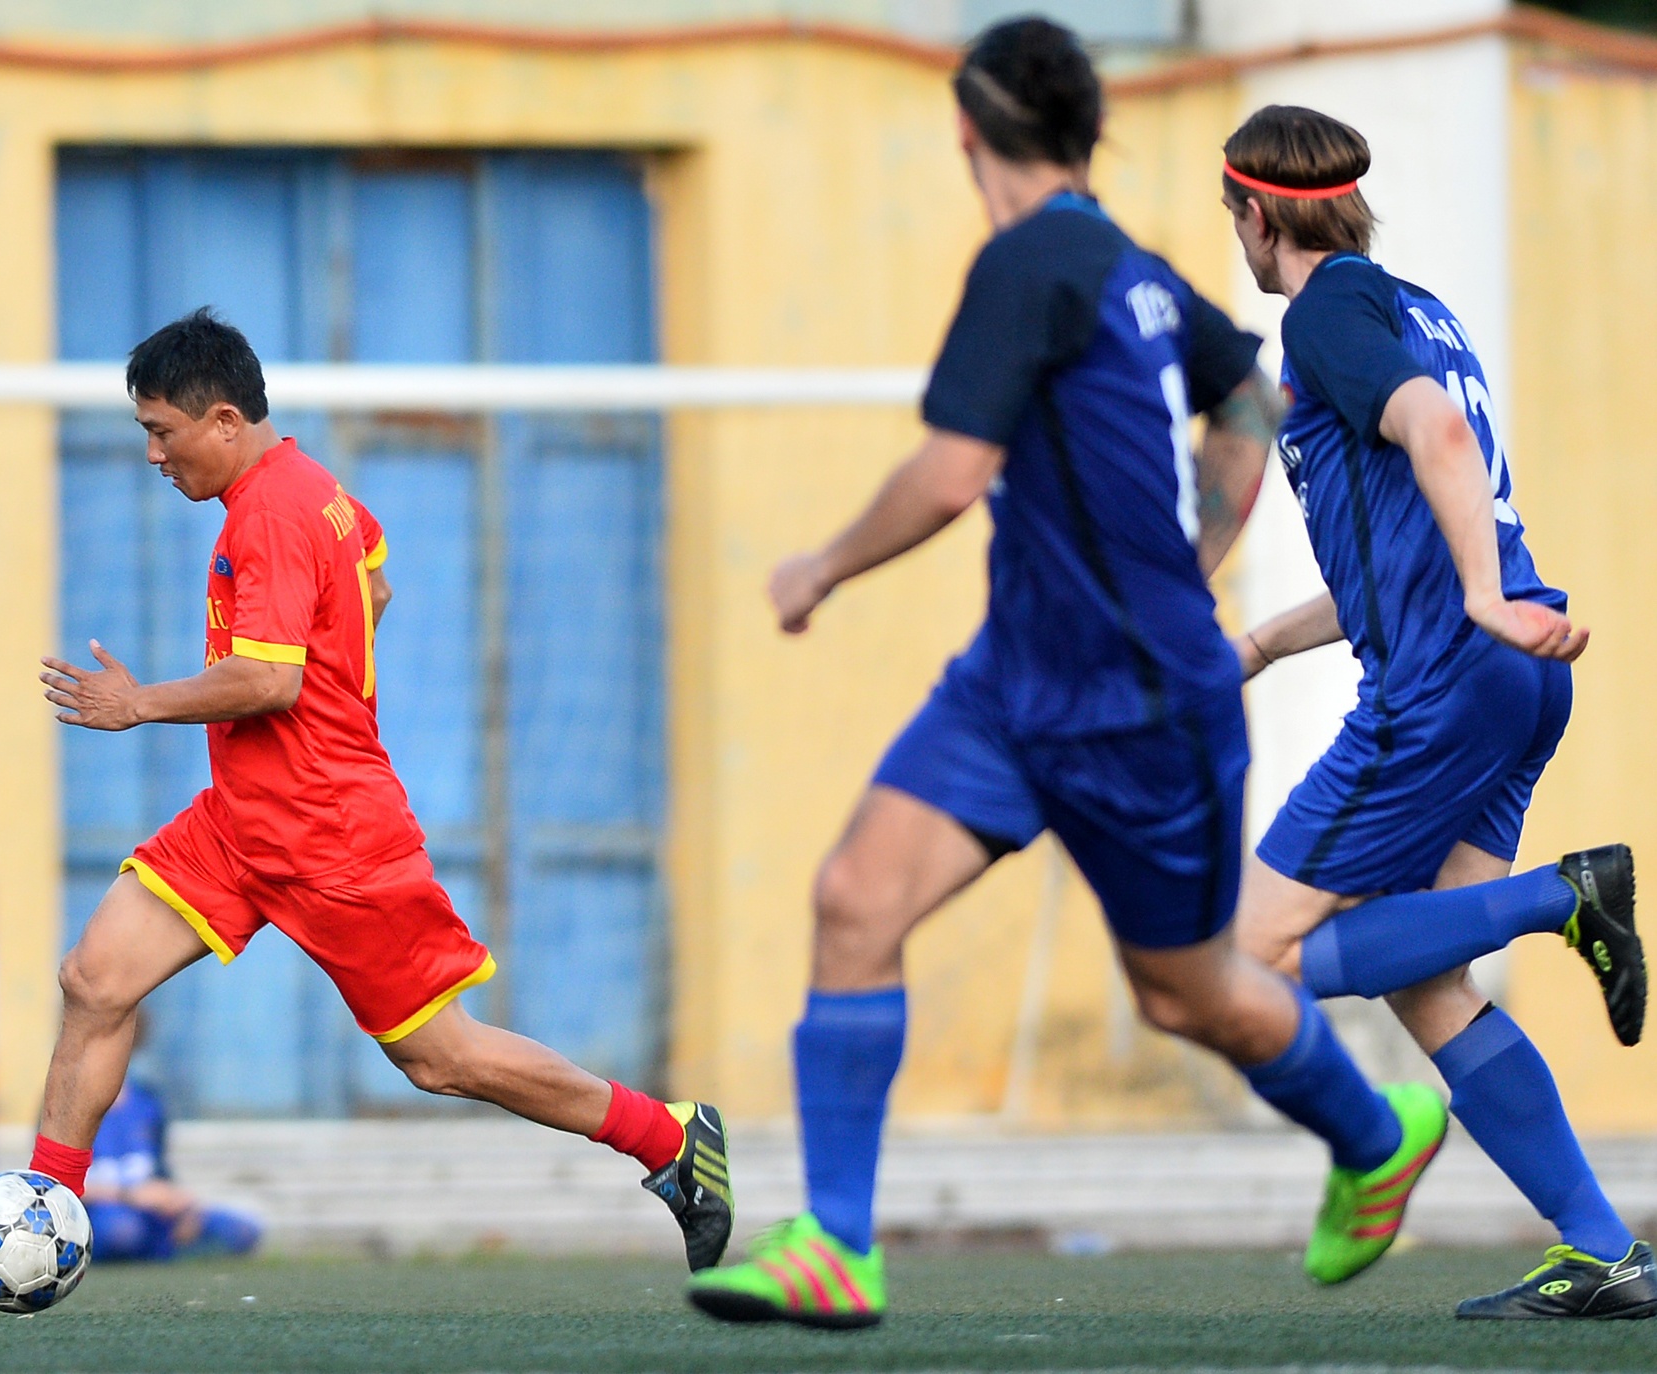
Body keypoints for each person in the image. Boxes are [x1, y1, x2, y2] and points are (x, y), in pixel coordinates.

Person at [688, 18, 1445, 1330]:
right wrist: (1200, 547)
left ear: (968, 133)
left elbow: (949, 473)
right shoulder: (1128, 264)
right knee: (855, 897)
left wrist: (818, 568)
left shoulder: (1033, 261)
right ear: (1084, 131)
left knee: (1188, 992)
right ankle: (837, 1244)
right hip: (1012, 683)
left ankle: (1374, 1129)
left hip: (1139, 707)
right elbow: (1248, 403)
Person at [0, 308, 730, 1280]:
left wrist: (138, 703)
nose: (155, 456)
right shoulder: (314, 492)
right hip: (243, 820)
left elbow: (269, 680)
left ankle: (671, 1142)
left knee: (442, 1058)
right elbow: (374, 579)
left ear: (220, 421)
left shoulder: (275, 514)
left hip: (332, 835)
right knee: (95, 981)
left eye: (161, 433)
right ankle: (43, 1215)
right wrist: (339, 657)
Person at [1219, 105, 1653, 1320]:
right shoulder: (1414, 306)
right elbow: (1394, 530)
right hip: (1514, 672)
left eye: (1231, 221)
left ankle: (1562, 898)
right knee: (1431, 972)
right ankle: (1603, 1247)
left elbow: (1439, 434)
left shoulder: (1325, 314)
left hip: (1450, 680)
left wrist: (1472, 601)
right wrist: (1257, 642)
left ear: (1258, 214)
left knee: (1249, 959)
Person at [79, 1078, 261, 1263]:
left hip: (154, 1214)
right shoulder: (65, 1104)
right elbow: (58, 1184)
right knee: (122, 1233)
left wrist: (182, 1204)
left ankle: (171, 1252)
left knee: (244, 1231)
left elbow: (160, 1171)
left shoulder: (147, 1101)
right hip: (103, 1213)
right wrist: (129, 1194)